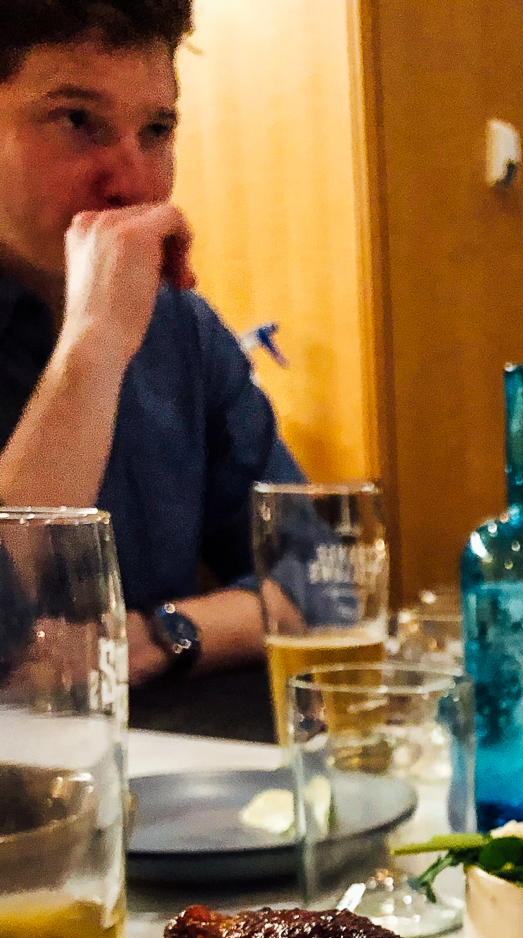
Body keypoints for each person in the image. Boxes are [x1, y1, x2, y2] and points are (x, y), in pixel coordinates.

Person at [0, 1, 304, 686]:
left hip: (165, 748)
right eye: (77, 121)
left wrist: (150, 638)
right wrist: (92, 349)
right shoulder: (128, 326)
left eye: (157, 130)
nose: (133, 183)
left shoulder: (180, 329)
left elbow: (323, 577)